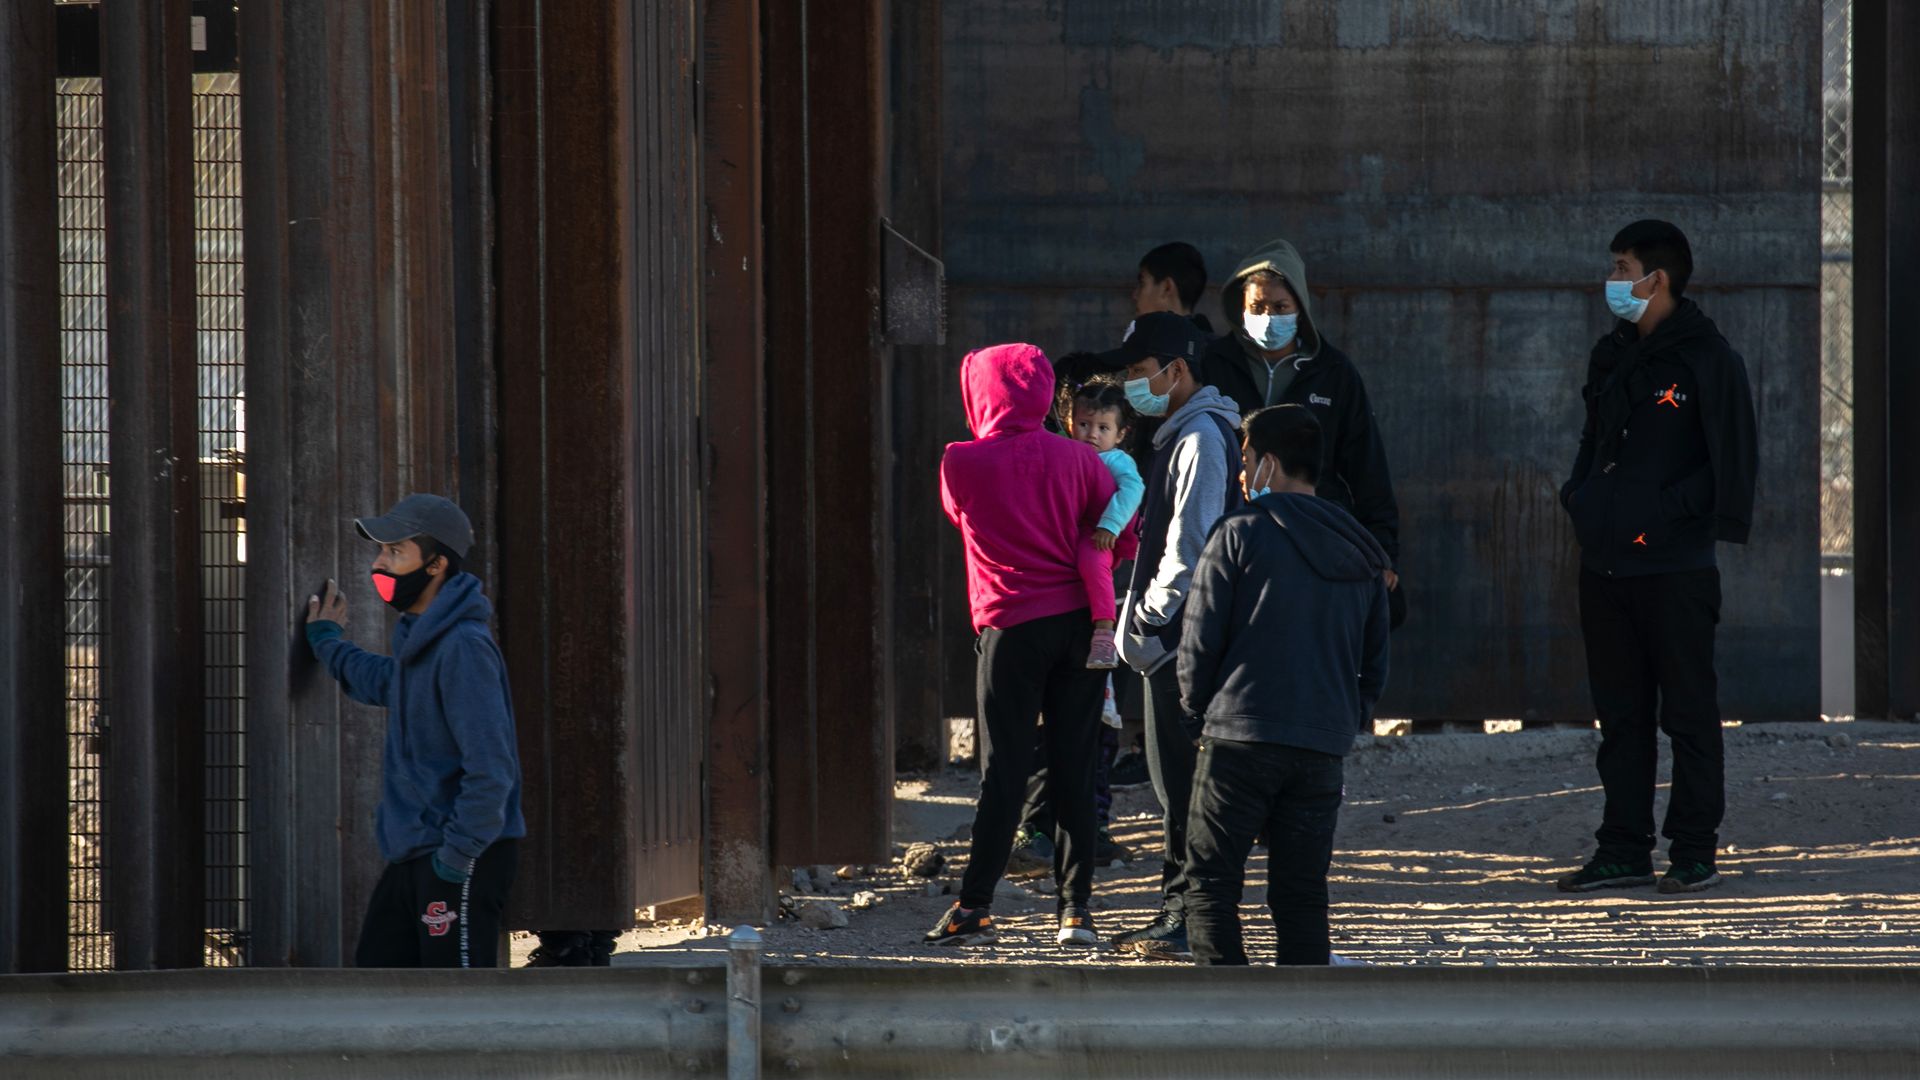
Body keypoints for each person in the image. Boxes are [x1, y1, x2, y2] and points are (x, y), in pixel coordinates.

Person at [1557, 220, 1757, 896]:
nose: (1613, 279)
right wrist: (1580, 498)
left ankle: (1694, 848)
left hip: (1675, 570)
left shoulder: (1707, 359)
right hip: (1605, 567)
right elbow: (1593, 438)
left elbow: (1730, 463)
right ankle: (1623, 847)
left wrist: (1667, 513)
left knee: (1689, 715)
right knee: (1620, 718)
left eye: (1622, 266)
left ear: (1657, 278)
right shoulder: (1611, 355)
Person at [1179, 405, 1391, 966]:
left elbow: (1199, 640)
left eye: (1246, 462)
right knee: (1302, 894)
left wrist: (1198, 708)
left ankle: (1225, 1027)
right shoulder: (1363, 551)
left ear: (1269, 462)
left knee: (1211, 882)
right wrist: (1344, 717)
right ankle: (1301, 1031)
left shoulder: (1238, 533)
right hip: (1322, 747)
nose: (1244, 477)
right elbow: (1376, 660)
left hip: (1240, 740)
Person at [930, 343, 1118, 947]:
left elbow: (961, 519)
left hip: (1009, 631)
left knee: (1005, 772)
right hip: (1080, 626)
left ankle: (976, 905)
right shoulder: (1082, 458)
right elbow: (1110, 529)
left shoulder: (960, 461)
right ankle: (1075, 912)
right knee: (1075, 768)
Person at [303, 494, 524, 968]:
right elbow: (389, 683)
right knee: (381, 986)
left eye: (395, 552)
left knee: (453, 1011)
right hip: (418, 853)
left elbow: (492, 769)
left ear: (436, 564)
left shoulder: (463, 648)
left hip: (459, 855)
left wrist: (457, 858)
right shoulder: (421, 637)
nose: (379, 564)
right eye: (381, 551)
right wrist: (329, 645)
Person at [1093, 311, 1242, 958]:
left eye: (1137, 372)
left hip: (1178, 645)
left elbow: (1192, 543)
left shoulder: (1201, 438)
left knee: (1183, 791)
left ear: (1176, 371)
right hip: (1168, 642)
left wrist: (1151, 619)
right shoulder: (1180, 435)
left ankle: (1187, 919)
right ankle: (1176, 912)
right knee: (1172, 791)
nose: (1131, 387)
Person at [1201, 239, 1404, 626]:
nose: (1268, 317)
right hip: (1230, 534)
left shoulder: (1333, 372)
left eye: (1280, 308)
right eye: (1257, 308)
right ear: (1240, 310)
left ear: (1301, 310)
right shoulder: (1215, 364)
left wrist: (1381, 551)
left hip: (1314, 538)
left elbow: (1367, 469)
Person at [1132, 241, 1215, 334]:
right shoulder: (1213, 345)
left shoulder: (1141, 345)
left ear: (1166, 288)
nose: (1134, 295)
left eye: (1142, 284)